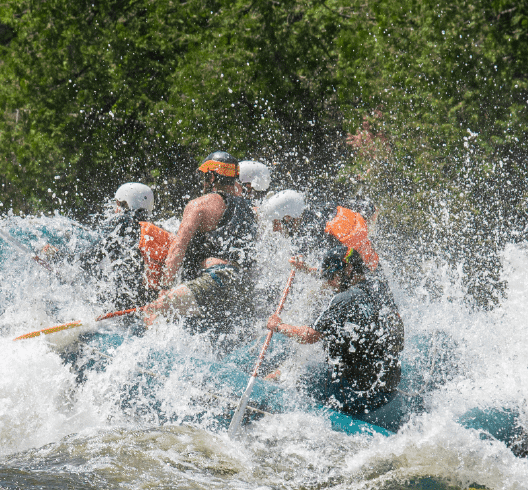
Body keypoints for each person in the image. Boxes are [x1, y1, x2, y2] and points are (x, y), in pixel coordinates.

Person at [266, 246, 404, 418]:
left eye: (332, 276)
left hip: (355, 397)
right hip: (385, 390)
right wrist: (306, 269)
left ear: (348, 269)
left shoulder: (343, 300)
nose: (329, 282)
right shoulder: (378, 285)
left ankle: (267, 389)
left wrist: (278, 326)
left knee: (296, 375)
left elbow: (309, 336)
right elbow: (337, 277)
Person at [142, 151, 258, 336]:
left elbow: (178, 249)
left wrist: (164, 290)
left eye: (206, 177)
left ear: (211, 176)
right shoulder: (252, 210)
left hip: (214, 281)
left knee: (156, 311)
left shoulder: (199, 205)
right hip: (242, 289)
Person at [77, 182, 172, 309]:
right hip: (150, 299)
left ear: (124, 203)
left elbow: (89, 259)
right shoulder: (160, 230)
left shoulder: (122, 223)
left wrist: (59, 257)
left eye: (117, 203)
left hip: (123, 300)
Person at [258, 188, 380, 273]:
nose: (274, 229)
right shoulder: (325, 208)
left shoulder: (313, 235)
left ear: (288, 218)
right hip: (375, 269)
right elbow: (371, 207)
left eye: (276, 223)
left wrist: (306, 270)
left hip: (363, 283)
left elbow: (332, 275)